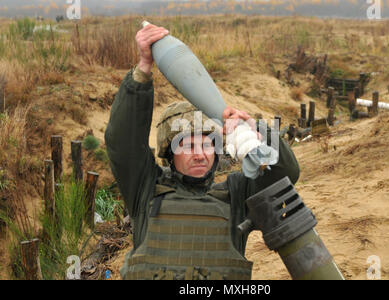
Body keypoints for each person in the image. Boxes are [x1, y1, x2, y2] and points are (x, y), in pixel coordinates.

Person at [105, 22, 300, 280]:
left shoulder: (236, 194)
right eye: (187, 145)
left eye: (207, 144)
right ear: (169, 154)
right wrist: (142, 71)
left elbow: (285, 172)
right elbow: (122, 141)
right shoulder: (145, 189)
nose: (200, 154)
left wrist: (255, 129)